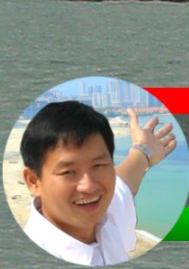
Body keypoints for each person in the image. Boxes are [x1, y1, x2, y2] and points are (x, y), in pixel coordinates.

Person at [20, 101, 178, 266]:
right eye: (68, 172)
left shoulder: (104, 216)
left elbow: (123, 183)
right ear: (33, 181)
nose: (88, 186)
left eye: (98, 165)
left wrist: (144, 150)